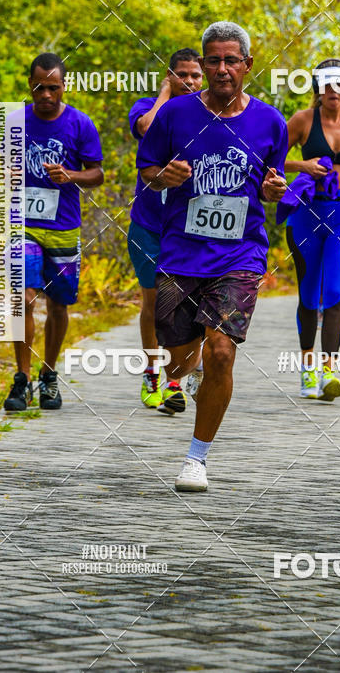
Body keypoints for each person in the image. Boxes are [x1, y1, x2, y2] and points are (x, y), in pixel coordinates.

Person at [138, 21, 287, 491]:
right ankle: (193, 371)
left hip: (240, 253)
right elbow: (146, 171)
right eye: (214, 61)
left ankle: (196, 459)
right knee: (181, 359)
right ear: (202, 65)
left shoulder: (270, 122)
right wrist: (165, 175)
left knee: (221, 352)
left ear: (246, 64)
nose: (222, 69)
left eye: (231, 60)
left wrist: (272, 189)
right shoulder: (174, 114)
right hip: (180, 252)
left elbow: (271, 185)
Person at [4, 53, 104, 411]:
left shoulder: (80, 124)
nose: (45, 94)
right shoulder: (15, 122)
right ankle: (21, 378)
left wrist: (71, 176)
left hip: (63, 226)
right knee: (24, 298)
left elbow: (97, 174)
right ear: (29, 84)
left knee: (58, 304)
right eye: (39, 86)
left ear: (64, 87)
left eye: (52, 87)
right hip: (23, 226)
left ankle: (48, 375)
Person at [279, 59, 340, 401]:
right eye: (327, 84)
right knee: (308, 293)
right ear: (318, 87)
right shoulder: (303, 121)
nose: (333, 90)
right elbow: (271, 157)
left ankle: (329, 372)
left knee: (334, 292)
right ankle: (307, 368)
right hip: (306, 214)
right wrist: (301, 165)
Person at [127, 49, 204, 410]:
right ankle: (153, 373)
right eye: (183, 75)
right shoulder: (147, 105)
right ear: (169, 75)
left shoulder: (209, 113)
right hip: (148, 223)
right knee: (153, 302)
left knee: (188, 305)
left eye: (196, 76)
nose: (190, 82)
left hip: (190, 227)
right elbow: (145, 128)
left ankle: (177, 379)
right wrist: (164, 94)